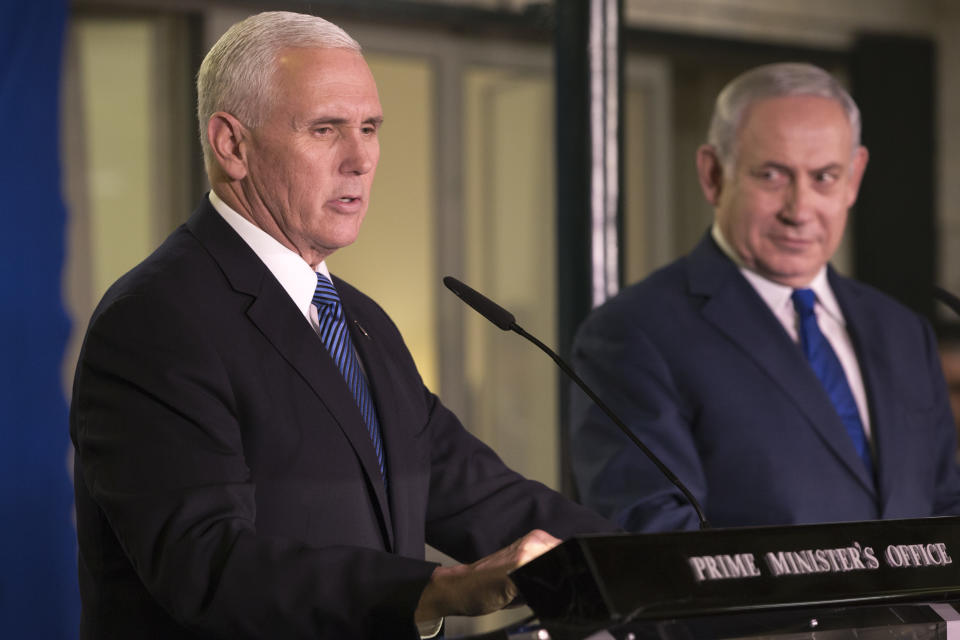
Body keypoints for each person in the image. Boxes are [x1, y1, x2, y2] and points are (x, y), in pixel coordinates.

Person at [70, 11, 615, 639]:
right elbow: (205, 563)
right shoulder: (157, 319)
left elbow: (478, 494)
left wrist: (663, 568)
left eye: (370, 128)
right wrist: (434, 591)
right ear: (232, 145)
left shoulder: (359, 321)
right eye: (325, 129)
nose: (359, 159)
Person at [569, 62, 960, 532]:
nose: (800, 210)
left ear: (854, 178)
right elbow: (657, 543)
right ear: (713, 174)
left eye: (824, 177)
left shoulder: (901, 330)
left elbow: (943, 508)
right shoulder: (633, 334)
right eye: (772, 176)